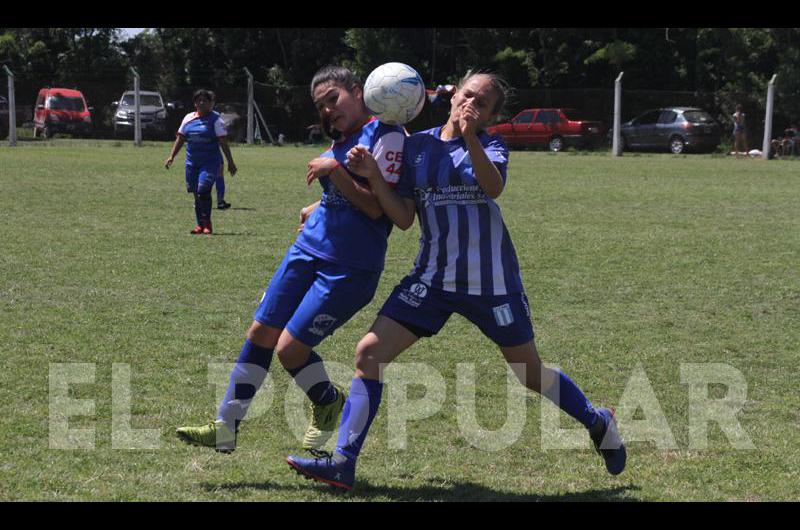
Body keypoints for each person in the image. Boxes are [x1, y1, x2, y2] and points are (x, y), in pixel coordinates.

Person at [286, 71, 626, 491]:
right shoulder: (416, 147)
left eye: (482, 104)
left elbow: (493, 187)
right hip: (431, 280)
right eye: (468, 96)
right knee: (368, 354)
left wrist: (468, 137)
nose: (471, 105)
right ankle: (343, 462)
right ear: (452, 97)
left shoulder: (491, 145)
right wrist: (372, 176)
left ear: (489, 116)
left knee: (528, 372)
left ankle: (597, 420)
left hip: (491, 283)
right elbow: (403, 218)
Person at [175, 66, 406, 454]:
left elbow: (376, 211)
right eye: (321, 105)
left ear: (358, 91)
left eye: (334, 98)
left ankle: (328, 402)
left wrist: (335, 172)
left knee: (290, 350)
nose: (329, 110)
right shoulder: (343, 139)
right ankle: (226, 425)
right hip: (306, 251)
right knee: (260, 334)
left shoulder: (389, 138)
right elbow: (346, 198)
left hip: (350, 268)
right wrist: (319, 205)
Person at [165, 89, 237, 234]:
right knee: (196, 194)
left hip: (210, 163)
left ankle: (207, 224)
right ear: (195, 103)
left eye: (205, 100)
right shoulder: (188, 118)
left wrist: (230, 161)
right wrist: (171, 156)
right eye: (199, 100)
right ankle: (200, 224)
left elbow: (223, 142)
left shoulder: (216, 120)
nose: (202, 103)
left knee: (203, 190)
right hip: (192, 163)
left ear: (211, 103)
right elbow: (180, 138)